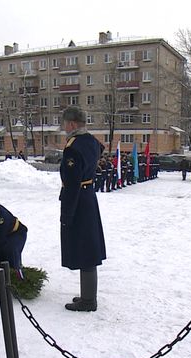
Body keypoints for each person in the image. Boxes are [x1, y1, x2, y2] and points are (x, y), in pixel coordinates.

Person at [59, 107, 106, 311]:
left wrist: (66, 214)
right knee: (88, 248)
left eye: (64, 124)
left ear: (71, 124)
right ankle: (87, 296)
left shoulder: (73, 148)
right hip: (88, 197)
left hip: (78, 200)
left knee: (86, 250)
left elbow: (71, 184)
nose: (63, 127)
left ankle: (88, 301)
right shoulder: (92, 141)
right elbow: (100, 151)